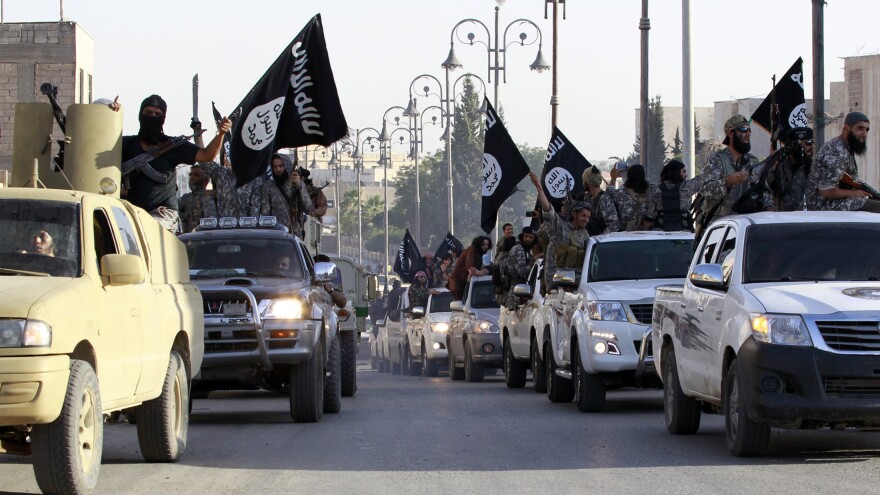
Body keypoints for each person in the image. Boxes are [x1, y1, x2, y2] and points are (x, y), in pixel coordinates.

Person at [121, 95, 232, 231]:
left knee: (147, 230)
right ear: (140, 115)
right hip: (131, 211)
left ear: (163, 119)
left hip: (162, 214)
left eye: (157, 114)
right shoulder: (126, 145)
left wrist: (221, 134)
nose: (152, 117)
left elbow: (207, 155)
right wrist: (111, 113)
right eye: (148, 113)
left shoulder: (173, 146)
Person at [696, 115, 774, 233]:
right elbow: (706, 190)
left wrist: (769, 211)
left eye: (749, 130)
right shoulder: (717, 160)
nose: (748, 134)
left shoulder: (752, 161)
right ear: (731, 133)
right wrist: (728, 182)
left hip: (746, 227)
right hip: (720, 229)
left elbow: (763, 190)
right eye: (743, 130)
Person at [807, 112, 880, 212]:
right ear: (846, 128)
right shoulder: (836, 151)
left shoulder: (846, 148)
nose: (864, 134)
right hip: (823, 206)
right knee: (877, 207)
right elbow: (826, 191)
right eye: (860, 128)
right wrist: (854, 193)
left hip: (834, 202)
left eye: (867, 130)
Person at [530, 171, 590, 290]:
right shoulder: (561, 229)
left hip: (578, 287)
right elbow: (548, 210)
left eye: (588, 217)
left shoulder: (585, 234)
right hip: (557, 288)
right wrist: (539, 188)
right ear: (574, 214)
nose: (586, 220)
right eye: (583, 216)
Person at [261, 154, 314, 235]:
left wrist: (300, 187)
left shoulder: (298, 184)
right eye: (275, 167)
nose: (278, 169)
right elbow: (265, 215)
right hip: (275, 236)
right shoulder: (268, 187)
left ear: (287, 166)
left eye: (281, 166)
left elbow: (308, 208)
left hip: (294, 236)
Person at [767, 127, 815, 212]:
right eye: (808, 143)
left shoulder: (815, 168)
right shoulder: (779, 166)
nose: (812, 147)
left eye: (813, 143)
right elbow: (766, 190)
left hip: (808, 221)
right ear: (794, 145)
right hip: (783, 221)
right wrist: (771, 165)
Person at [651, 160, 700, 231]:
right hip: (684, 230)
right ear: (677, 173)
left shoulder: (656, 189)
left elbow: (650, 213)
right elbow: (705, 178)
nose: (686, 175)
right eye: (684, 171)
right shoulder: (688, 187)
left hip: (660, 231)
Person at [609, 164, 656, 231]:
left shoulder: (621, 193)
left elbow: (608, 195)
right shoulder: (651, 191)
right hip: (645, 233)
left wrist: (613, 178)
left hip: (624, 235)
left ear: (628, 176)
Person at [502, 226, 538, 308]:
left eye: (531, 237)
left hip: (522, 293)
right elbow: (523, 272)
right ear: (522, 236)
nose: (528, 239)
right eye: (526, 236)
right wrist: (533, 261)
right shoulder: (519, 249)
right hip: (517, 295)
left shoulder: (528, 251)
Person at [448, 236, 492, 300]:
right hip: (457, 282)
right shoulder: (472, 249)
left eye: (487, 245)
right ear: (479, 244)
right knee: (460, 302)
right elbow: (469, 264)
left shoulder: (480, 254)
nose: (486, 247)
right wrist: (471, 272)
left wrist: (479, 272)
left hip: (466, 282)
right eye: (484, 244)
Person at [581, 165, 620, 235]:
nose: (583, 183)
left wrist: (600, 238)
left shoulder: (604, 199)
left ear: (588, 182)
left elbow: (614, 225)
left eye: (584, 180)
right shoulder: (587, 198)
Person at [178, 164, 218, 233]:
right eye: (190, 174)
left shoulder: (212, 198)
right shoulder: (185, 199)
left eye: (196, 175)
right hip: (187, 241)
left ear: (206, 181)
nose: (191, 177)